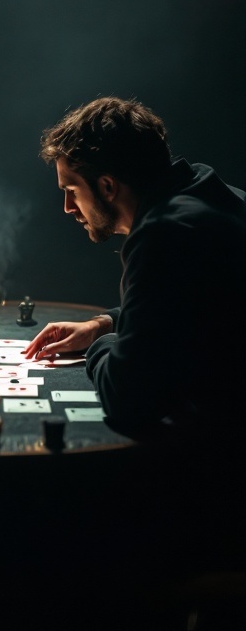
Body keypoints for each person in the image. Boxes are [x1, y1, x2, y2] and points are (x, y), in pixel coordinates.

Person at [24, 96, 246, 438]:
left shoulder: (163, 234)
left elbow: (127, 398)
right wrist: (101, 324)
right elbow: (178, 303)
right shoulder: (215, 198)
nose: (68, 207)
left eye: (71, 190)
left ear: (107, 186)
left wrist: (102, 344)